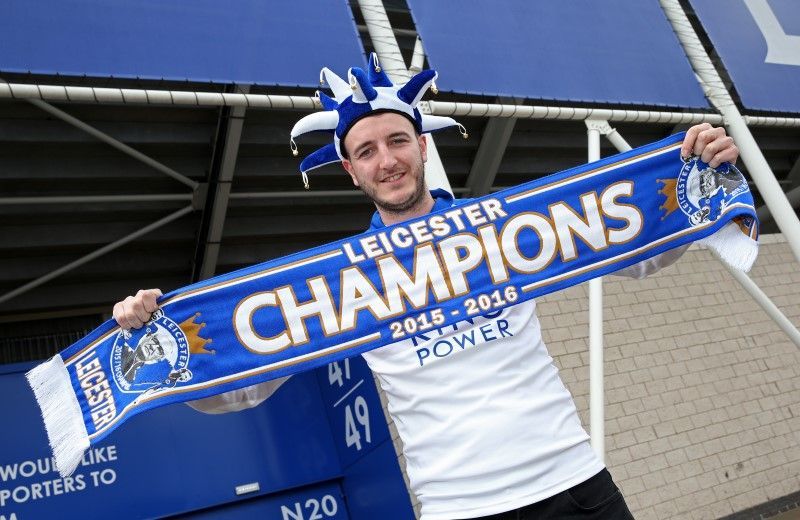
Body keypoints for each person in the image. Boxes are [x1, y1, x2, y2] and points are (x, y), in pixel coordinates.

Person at [113, 57, 739, 519]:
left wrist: (698, 180)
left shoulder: (512, 228)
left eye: (396, 140)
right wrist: (159, 342)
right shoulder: (340, 278)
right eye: (366, 151)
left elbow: (639, 256)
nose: (386, 160)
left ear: (421, 144)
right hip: (457, 506)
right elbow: (241, 389)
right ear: (350, 170)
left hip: (574, 484)